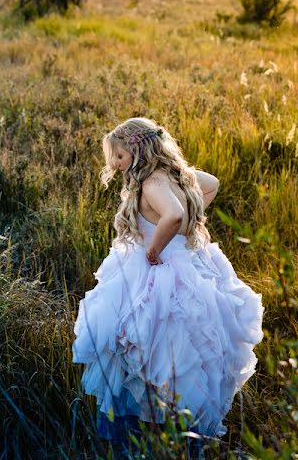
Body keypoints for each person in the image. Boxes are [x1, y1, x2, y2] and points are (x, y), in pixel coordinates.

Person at [72, 117, 264, 444]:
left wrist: (155, 249)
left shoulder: (152, 183)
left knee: (146, 341)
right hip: (185, 258)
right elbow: (211, 183)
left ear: (138, 150)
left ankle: (141, 428)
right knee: (180, 345)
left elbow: (172, 215)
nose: (115, 164)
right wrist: (191, 213)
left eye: (119, 156)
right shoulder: (173, 175)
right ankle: (170, 426)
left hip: (156, 264)